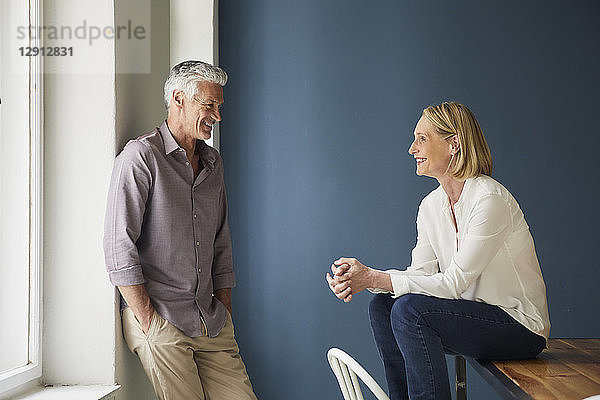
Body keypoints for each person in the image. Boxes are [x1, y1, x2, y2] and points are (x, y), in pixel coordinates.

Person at [326, 102, 550, 400]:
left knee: (409, 310)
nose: (411, 148)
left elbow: (455, 282)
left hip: (520, 327)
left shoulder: (490, 198)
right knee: (383, 306)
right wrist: (365, 279)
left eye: (422, 138)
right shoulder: (431, 206)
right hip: (473, 315)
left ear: (453, 143)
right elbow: (420, 276)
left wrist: (373, 278)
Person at [103, 60, 256, 400]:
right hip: (162, 319)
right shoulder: (141, 157)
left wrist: (224, 307)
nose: (217, 116)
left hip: (211, 320)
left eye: (219, 106)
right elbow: (118, 244)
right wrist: (148, 321)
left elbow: (221, 242)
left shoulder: (213, 163)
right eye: (209, 105)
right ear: (179, 99)